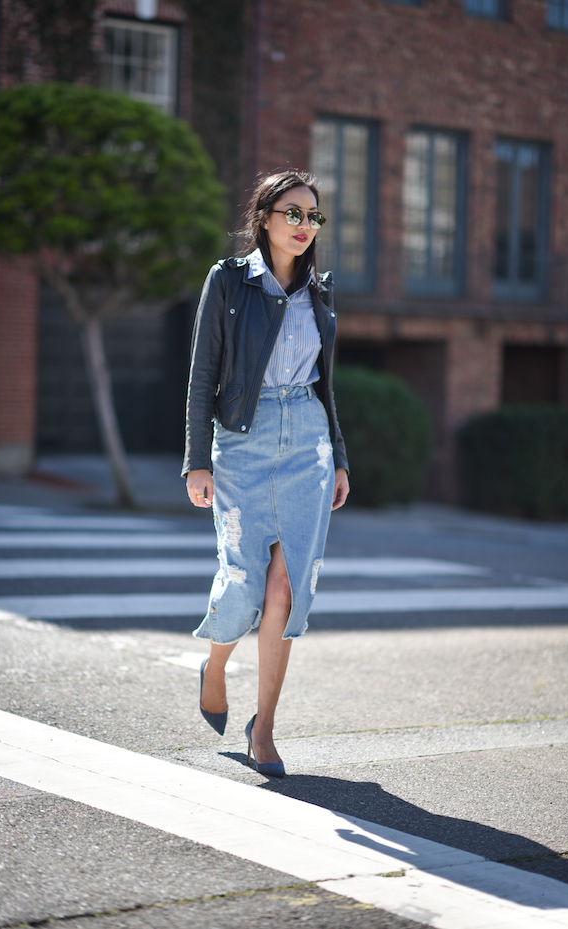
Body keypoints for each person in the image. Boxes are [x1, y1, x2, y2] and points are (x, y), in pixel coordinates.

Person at [182, 169, 349, 777]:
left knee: (287, 588)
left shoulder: (321, 293)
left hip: (308, 443)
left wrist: (340, 458)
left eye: (314, 216)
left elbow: (327, 385)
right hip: (243, 443)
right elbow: (203, 375)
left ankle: (266, 730)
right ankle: (217, 666)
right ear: (265, 218)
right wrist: (197, 459)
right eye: (293, 213)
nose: (305, 226)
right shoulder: (229, 282)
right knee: (244, 584)